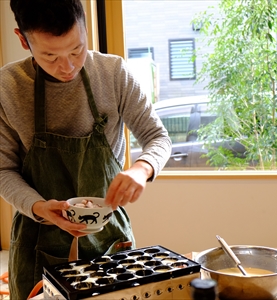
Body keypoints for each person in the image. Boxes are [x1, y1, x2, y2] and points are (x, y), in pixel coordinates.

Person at [0, 0, 171, 298]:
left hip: (108, 238)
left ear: (85, 28)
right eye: (50, 56)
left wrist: (142, 169)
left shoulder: (114, 73)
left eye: (76, 50)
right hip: (36, 237)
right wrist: (40, 208)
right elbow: (3, 170)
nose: (67, 67)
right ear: (22, 39)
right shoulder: (8, 87)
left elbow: (158, 137)